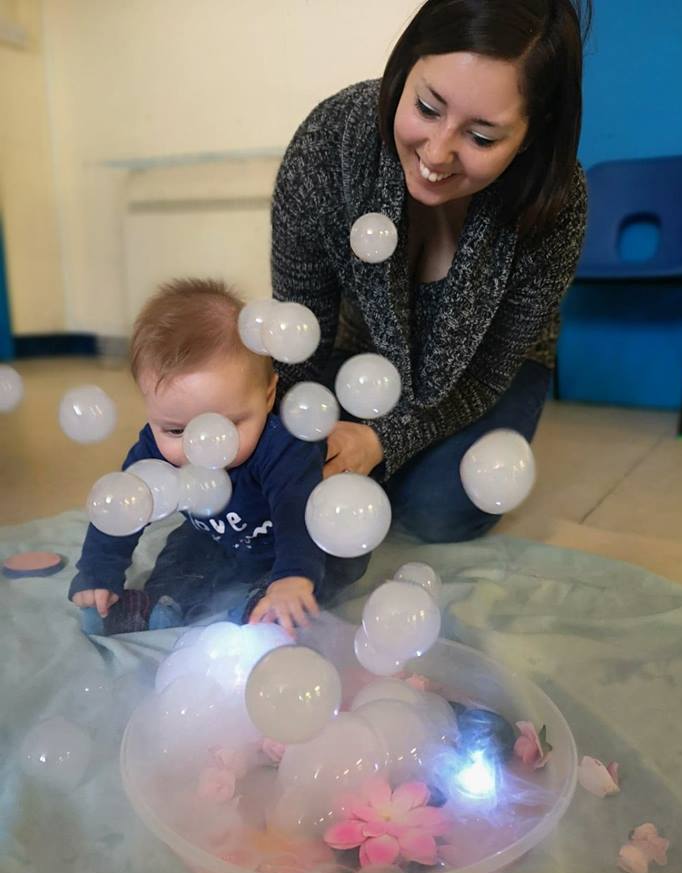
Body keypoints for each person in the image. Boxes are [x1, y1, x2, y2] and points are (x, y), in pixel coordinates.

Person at [271, 0, 591, 544]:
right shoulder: (329, 145)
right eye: (426, 107)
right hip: (364, 352)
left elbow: (488, 371)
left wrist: (380, 442)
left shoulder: (555, 205)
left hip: (492, 368)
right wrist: (286, 442)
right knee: (298, 462)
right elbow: (300, 334)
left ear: (533, 137)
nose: (437, 153)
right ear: (405, 68)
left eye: (483, 137)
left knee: (434, 511)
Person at [69, 278, 358, 637]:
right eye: (176, 430)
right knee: (183, 553)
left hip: (300, 538)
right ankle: (162, 603)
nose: (202, 447)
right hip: (219, 538)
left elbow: (299, 515)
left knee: (325, 569)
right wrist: (98, 572)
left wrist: (292, 578)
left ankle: (261, 607)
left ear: (268, 396)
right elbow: (118, 510)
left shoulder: (284, 444)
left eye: (227, 426)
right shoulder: (152, 452)